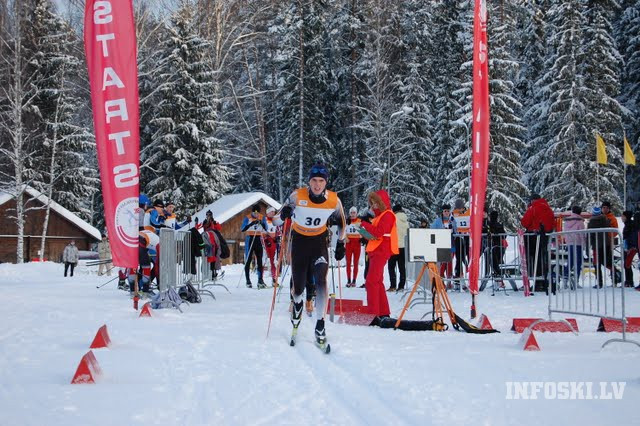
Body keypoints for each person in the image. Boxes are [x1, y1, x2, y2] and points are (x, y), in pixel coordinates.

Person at [276, 161, 346, 348]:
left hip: (318, 243)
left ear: (326, 182)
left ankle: (320, 325)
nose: (317, 184)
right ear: (309, 181)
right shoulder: (296, 196)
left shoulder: (333, 200)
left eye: (321, 181)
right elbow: (275, 220)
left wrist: (340, 243)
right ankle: (297, 304)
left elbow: (342, 223)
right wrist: (284, 214)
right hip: (299, 242)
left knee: (321, 281)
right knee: (298, 287)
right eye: (314, 180)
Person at [360, 190, 397, 317]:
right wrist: (364, 231)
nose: (374, 205)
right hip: (376, 250)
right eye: (372, 203)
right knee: (377, 282)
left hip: (381, 250)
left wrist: (365, 225)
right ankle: (383, 312)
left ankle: (373, 313)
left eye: (376, 202)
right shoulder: (380, 216)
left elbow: (379, 232)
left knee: (371, 281)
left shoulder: (388, 215)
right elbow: (375, 235)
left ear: (382, 202)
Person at [520, 193, 555, 293]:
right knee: (543, 259)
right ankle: (544, 281)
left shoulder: (533, 208)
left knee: (533, 260)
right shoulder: (548, 208)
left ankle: (537, 281)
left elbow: (525, 222)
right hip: (546, 237)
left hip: (533, 237)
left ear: (532, 200)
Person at [241, 204, 267, 288]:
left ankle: (260, 279)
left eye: (257, 213)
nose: (256, 215)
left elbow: (266, 227)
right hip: (250, 239)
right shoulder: (247, 217)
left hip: (258, 238)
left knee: (259, 260)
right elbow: (243, 229)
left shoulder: (262, 217)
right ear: (252, 212)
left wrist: (261, 223)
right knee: (248, 259)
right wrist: (251, 224)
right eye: (254, 213)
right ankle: (248, 280)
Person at [431, 203, 456, 282]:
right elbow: (432, 229)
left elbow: (456, 230)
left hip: (451, 243)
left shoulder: (452, 220)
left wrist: (453, 230)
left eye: (448, 211)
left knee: (450, 262)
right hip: (441, 244)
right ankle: (441, 279)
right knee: (443, 262)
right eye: (445, 211)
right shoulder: (438, 221)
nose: (446, 212)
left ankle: (449, 279)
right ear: (442, 212)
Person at [562, 206, 585, 289]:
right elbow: (582, 234)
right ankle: (576, 280)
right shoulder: (580, 222)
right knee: (578, 262)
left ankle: (565, 280)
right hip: (578, 243)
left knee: (570, 261)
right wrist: (584, 243)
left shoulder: (567, 221)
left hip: (569, 243)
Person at [387, 204, 408, 291]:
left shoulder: (393, 219)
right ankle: (401, 286)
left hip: (394, 246)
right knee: (402, 267)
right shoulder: (406, 221)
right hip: (403, 246)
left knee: (391, 266)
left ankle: (393, 285)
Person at [452, 198, 470, 279]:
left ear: (463, 207)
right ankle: (458, 273)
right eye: (457, 208)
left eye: (460, 208)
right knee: (459, 257)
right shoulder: (453, 213)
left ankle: (466, 268)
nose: (459, 210)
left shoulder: (468, 212)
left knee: (466, 254)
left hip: (466, 237)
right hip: (457, 237)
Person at [344, 207, 362, 287]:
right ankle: (348, 280)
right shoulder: (347, 221)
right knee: (348, 262)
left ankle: (354, 280)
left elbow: (363, 232)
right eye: (351, 213)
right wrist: (345, 237)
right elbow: (342, 231)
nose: (353, 214)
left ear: (356, 213)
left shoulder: (359, 221)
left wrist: (362, 238)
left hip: (357, 243)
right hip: (349, 243)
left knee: (355, 263)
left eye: (354, 212)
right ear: (349, 213)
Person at [487, 211, 506, 280]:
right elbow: (504, 236)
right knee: (496, 262)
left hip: (493, 246)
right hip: (499, 246)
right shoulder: (499, 225)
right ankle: (498, 275)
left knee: (493, 262)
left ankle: (497, 275)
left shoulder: (489, 224)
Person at [264, 207, 280, 284]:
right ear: (267, 213)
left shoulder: (275, 220)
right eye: (271, 212)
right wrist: (267, 237)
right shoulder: (265, 220)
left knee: (273, 261)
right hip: (266, 241)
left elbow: (278, 231)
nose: (273, 213)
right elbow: (262, 231)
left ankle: (274, 278)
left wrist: (278, 236)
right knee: (264, 260)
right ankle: (261, 279)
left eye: (274, 212)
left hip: (273, 242)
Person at [621, 211, 637, 288]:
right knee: (627, 264)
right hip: (627, 246)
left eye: (623, 216)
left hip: (630, 247)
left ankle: (629, 281)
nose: (622, 217)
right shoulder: (627, 224)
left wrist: (630, 246)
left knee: (627, 264)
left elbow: (632, 236)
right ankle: (628, 281)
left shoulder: (630, 225)